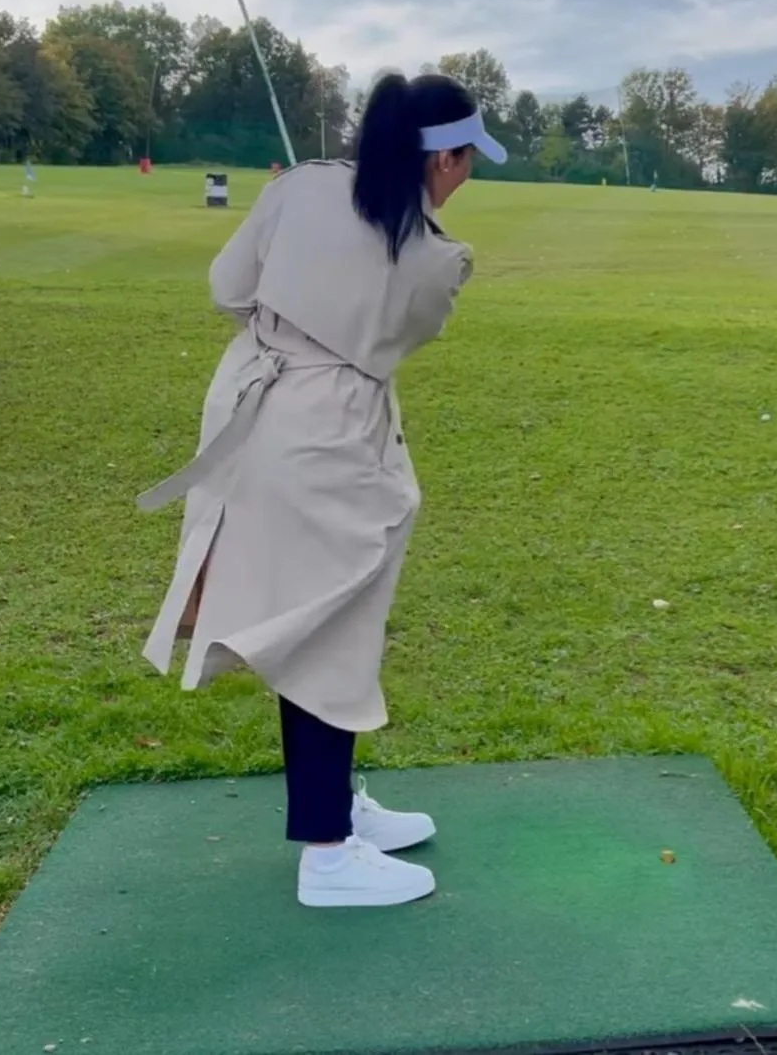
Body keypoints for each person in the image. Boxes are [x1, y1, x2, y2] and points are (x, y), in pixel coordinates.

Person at [137, 71, 507, 908]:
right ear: (442, 161)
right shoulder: (441, 257)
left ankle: (331, 803)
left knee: (324, 619)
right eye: (466, 159)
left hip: (254, 398)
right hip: (328, 429)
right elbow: (397, 334)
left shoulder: (300, 186)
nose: (468, 173)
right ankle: (327, 853)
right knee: (331, 628)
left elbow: (227, 288)